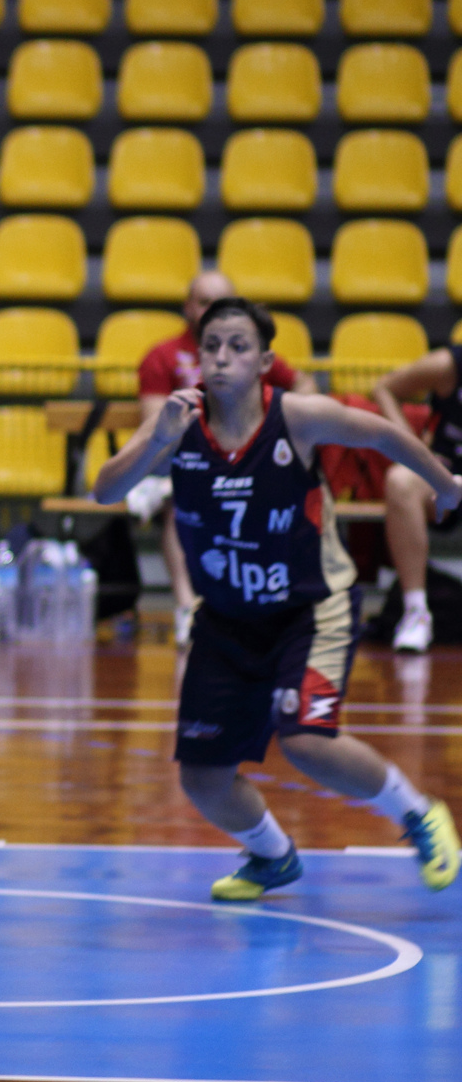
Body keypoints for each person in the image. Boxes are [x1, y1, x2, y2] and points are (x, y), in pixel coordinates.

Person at [94, 297, 462, 900]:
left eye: (237, 346)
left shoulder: (299, 417)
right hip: (227, 618)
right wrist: (152, 438)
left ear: (264, 361)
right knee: (203, 778)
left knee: (308, 738)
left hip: (310, 607)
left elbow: (384, 436)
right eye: (211, 346)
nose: (221, 358)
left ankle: (419, 814)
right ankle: (272, 856)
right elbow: (107, 490)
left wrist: (445, 485)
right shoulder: (179, 424)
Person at [135, 271, 314, 647]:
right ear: (187, 307)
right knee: (179, 498)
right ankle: (188, 608)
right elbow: (154, 425)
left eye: (219, 302)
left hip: (244, 458)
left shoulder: (247, 351)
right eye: (203, 302)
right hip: (180, 457)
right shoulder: (161, 355)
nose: (221, 356)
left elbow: (303, 385)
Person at [371, 342, 462, 652]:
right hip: (444, 475)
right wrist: (416, 452)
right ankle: (416, 612)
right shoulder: (448, 365)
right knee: (401, 480)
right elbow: (384, 388)